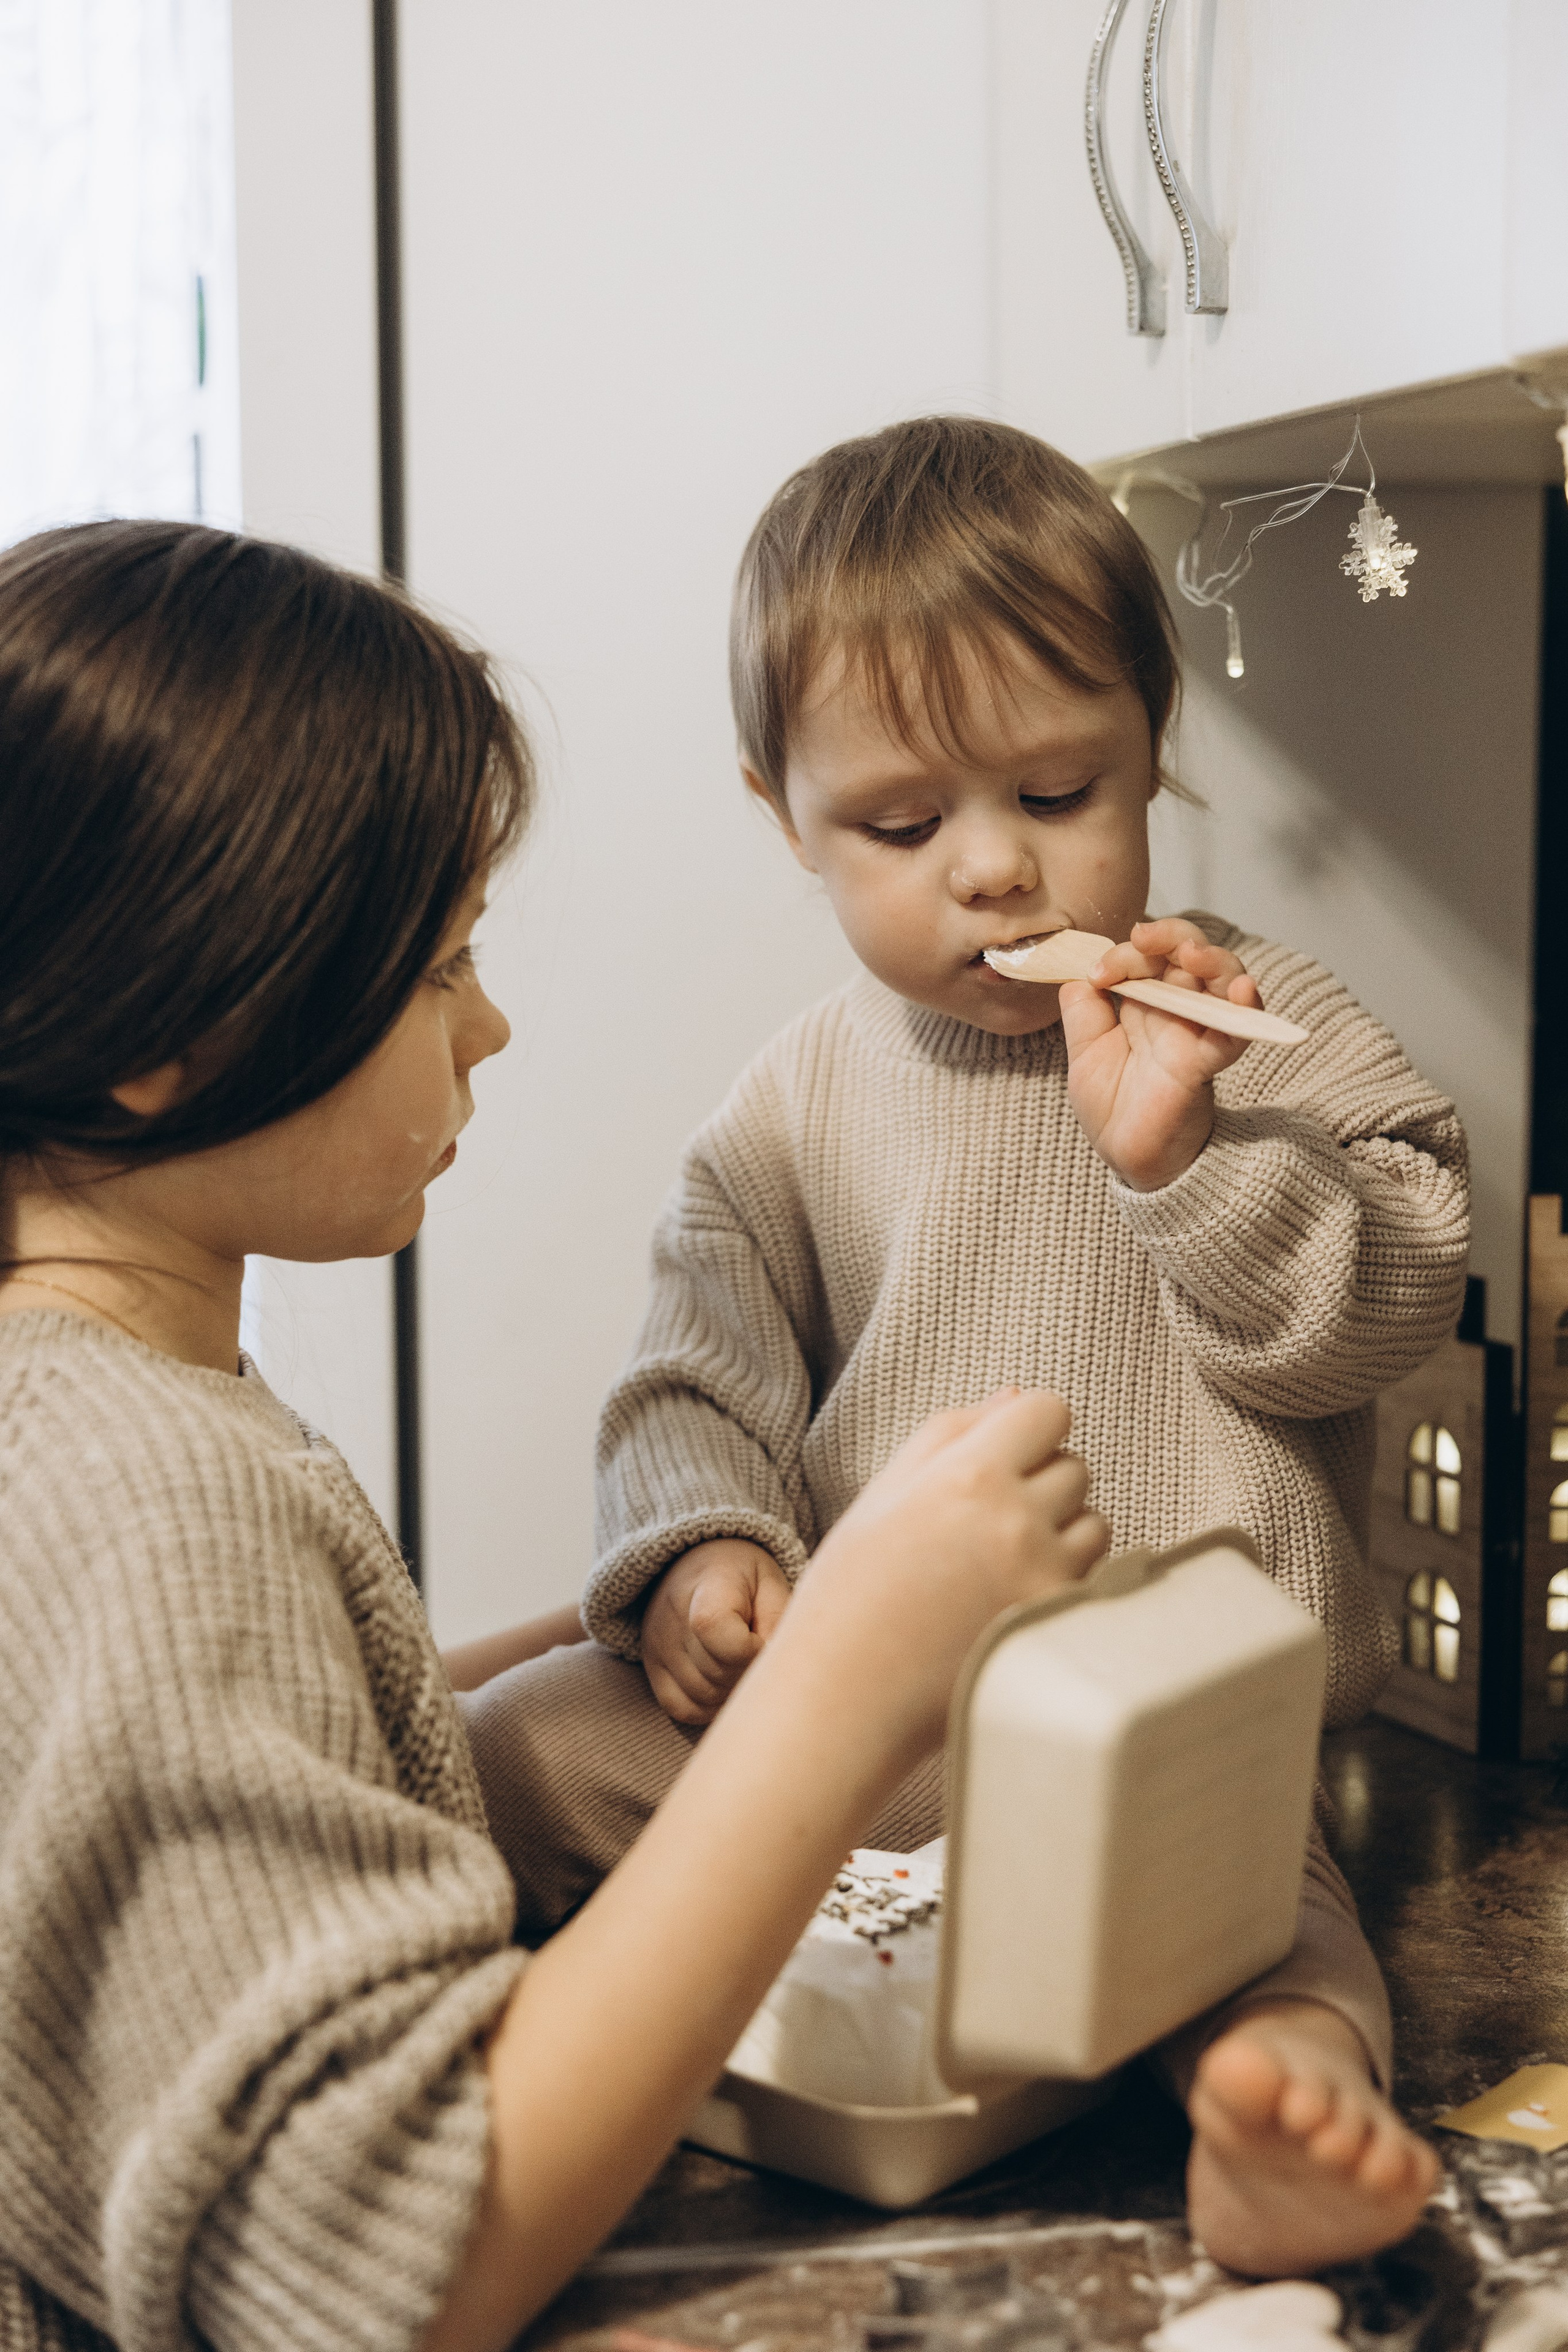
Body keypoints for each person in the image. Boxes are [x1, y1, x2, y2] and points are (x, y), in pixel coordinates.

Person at [0, 518, 1112, 2352]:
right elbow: (386, 2277)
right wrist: (850, 1677)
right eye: (440, 967)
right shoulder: (144, 1494)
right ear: (171, 1038)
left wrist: (524, 1663)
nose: (492, 1024)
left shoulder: (102, 1410)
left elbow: (201, 1797)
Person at [461, 418, 1461, 2276]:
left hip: (1169, 1739)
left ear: (1155, 747)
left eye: (1063, 792)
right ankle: (477, 2070)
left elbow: (1383, 1311)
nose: (994, 870)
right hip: (849, 1725)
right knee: (507, 1752)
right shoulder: (799, 1098)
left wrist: (1192, 1162)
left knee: (1271, 1932)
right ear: (785, 815)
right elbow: (694, 1371)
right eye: (902, 827)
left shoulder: (1261, 1032)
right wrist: (704, 1558)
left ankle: (1280, 2118)